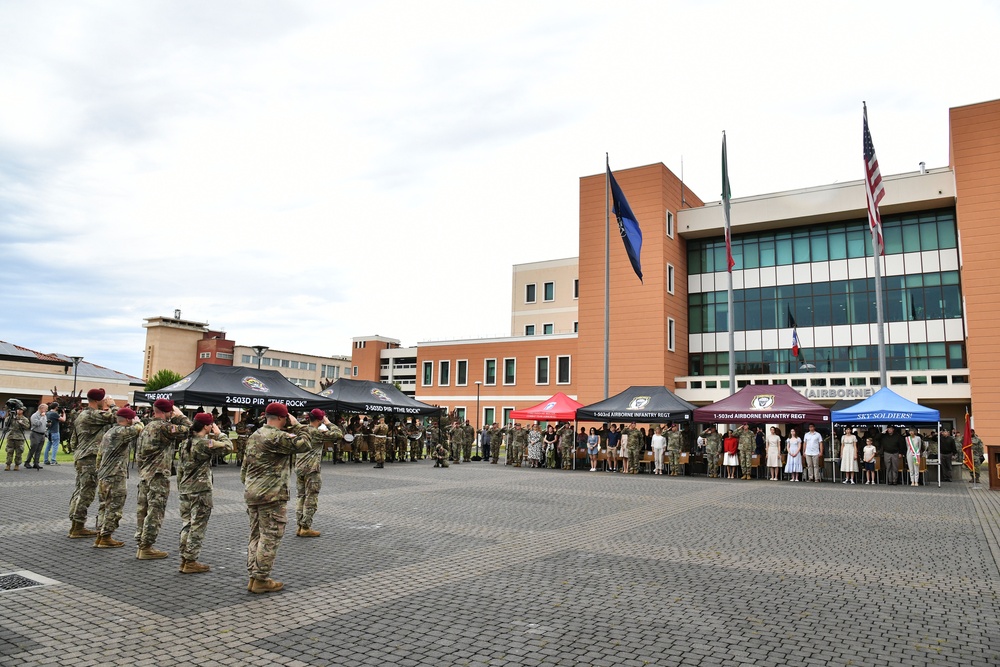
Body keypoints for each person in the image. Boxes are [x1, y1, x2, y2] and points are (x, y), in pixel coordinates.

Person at [242, 402, 312, 594]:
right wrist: (298, 425)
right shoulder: (277, 437)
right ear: (282, 418)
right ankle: (261, 579)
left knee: (255, 534)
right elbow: (305, 443)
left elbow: (244, 467)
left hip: (252, 492)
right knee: (270, 535)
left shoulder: (254, 435)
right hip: (271, 495)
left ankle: (253, 576)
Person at [134, 398, 191, 559]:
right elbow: (190, 429)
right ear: (168, 412)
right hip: (158, 476)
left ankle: (141, 544)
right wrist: (179, 416)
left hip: (145, 475)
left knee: (143, 510)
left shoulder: (147, 427)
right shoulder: (164, 427)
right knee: (155, 511)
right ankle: (146, 546)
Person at [177, 413, 232, 573]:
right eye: (211, 424)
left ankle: (184, 558)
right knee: (198, 525)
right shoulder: (204, 443)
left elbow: (180, 468)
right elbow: (228, 447)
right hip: (200, 490)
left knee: (187, 524)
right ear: (207, 426)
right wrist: (219, 433)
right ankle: (191, 560)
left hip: (186, 488)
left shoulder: (185, 443)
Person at [68, 389, 117, 537]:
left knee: (80, 490)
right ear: (98, 401)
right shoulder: (93, 414)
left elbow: (73, 439)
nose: (105, 401)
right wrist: (113, 405)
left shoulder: (82, 414)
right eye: (103, 399)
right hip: (89, 457)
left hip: (82, 456)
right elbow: (119, 417)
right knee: (86, 492)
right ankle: (77, 526)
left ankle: (75, 523)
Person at [93, 407, 143, 548]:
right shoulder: (122, 432)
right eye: (132, 418)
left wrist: (99, 470)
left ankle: (100, 534)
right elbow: (140, 429)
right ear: (128, 419)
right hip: (115, 475)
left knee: (103, 506)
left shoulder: (110, 431)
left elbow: (99, 454)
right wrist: (137, 422)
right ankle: (106, 536)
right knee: (114, 506)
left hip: (104, 474)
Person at [296, 409, 341, 537]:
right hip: (311, 469)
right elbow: (338, 434)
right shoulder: (317, 433)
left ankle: (299, 525)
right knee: (311, 497)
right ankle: (306, 527)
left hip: (299, 467)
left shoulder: (303, 430)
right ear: (320, 419)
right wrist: (328, 422)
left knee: (301, 497)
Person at [3, 406, 29, 471]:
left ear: (23, 411)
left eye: (20, 410)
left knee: (19, 451)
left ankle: (17, 464)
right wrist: (9, 417)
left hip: (19, 437)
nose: (19, 411)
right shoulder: (11, 418)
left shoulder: (24, 419)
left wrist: (21, 423)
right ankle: (8, 464)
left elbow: (27, 427)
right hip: (11, 436)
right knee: (9, 451)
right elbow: (6, 424)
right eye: (18, 410)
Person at [27, 403, 48, 470]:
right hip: (35, 433)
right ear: (41, 409)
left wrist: (47, 425)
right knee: (33, 448)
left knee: (39, 449)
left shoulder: (45, 415)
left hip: (42, 434)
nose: (46, 410)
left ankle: (36, 463)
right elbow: (37, 423)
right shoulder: (34, 416)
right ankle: (27, 462)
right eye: (45, 409)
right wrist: (42, 417)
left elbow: (44, 424)